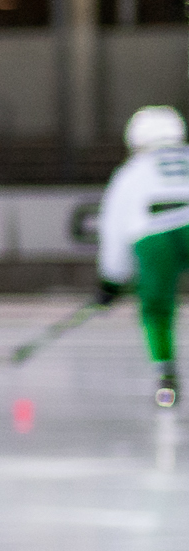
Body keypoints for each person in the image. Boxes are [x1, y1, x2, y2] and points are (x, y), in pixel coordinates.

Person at [96, 103, 189, 409]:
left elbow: (114, 228)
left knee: (157, 308)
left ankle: (165, 378)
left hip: (154, 236)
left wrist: (111, 279)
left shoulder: (131, 172)